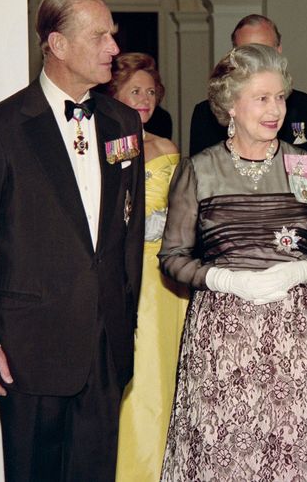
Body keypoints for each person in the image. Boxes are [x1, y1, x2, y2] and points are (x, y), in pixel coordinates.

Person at [0, 0, 145, 481]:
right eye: (100, 36)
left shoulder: (123, 122)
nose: (113, 49)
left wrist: (126, 318)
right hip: (27, 348)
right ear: (57, 45)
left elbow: (129, 225)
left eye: (113, 36)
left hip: (106, 344)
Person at [158, 44, 307, 481]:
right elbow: (172, 257)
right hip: (223, 334)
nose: (275, 109)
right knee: (225, 449)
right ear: (230, 104)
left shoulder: (306, 165)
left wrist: (304, 270)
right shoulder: (200, 169)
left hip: (294, 333)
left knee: (292, 450)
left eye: (280, 96)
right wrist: (223, 279)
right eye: (261, 98)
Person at [106, 53, 189, 482]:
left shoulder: (166, 147)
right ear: (114, 94)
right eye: (134, 91)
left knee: (168, 377)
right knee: (134, 383)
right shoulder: (108, 143)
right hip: (124, 275)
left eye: (151, 92)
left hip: (165, 279)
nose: (144, 99)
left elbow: (181, 210)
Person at [189, 14, 307, 155]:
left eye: (265, 51)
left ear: (278, 51)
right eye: (248, 53)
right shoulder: (206, 114)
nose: (258, 60)